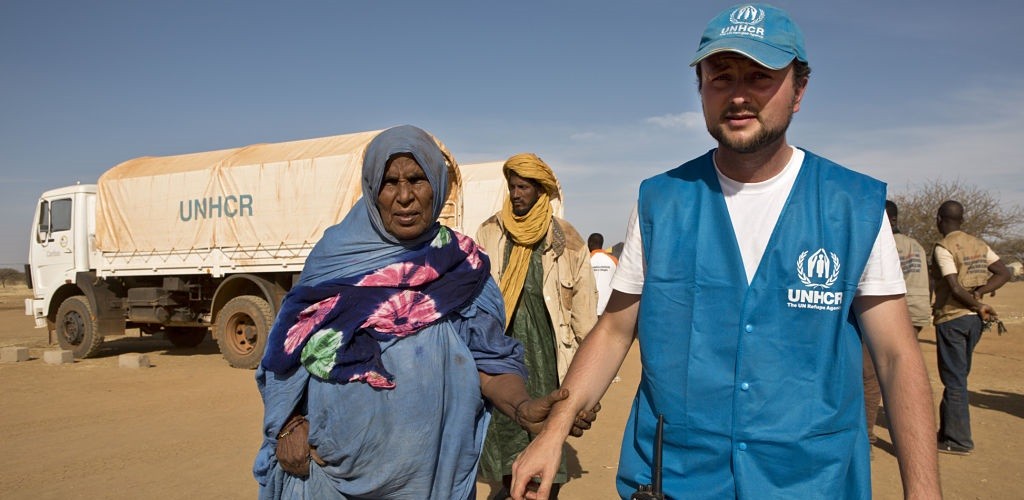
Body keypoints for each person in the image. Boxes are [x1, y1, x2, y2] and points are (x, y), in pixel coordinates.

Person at [510, 4, 940, 499]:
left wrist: (923, 491)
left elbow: (895, 356)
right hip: (677, 478)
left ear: (798, 91)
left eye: (760, 77)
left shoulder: (850, 206)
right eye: (721, 76)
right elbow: (613, 330)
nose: (738, 95)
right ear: (700, 87)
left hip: (809, 480)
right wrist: (555, 429)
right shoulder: (662, 200)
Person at [252, 125, 594, 499]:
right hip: (330, 476)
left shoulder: (461, 265)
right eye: (390, 182)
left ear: (437, 185)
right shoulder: (334, 258)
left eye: (417, 180)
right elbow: (286, 355)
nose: (404, 196)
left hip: (433, 479)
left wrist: (522, 406)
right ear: (371, 188)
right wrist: (286, 425)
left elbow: (489, 359)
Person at [476, 153, 598, 498]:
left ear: (540, 190)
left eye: (524, 187)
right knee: (502, 438)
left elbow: (584, 316)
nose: (516, 194)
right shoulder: (489, 232)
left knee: (548, 438)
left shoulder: (568, 240)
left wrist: (588, 378)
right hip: (502, 356)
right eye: (512, 186)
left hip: (550, 355)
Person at [931, 199, 1010, 455]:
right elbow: (1003, 273)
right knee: (958, 376)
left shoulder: (944, 247)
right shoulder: (978, 244)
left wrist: (976, 304)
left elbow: (954, 287)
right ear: (962, 220)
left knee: (954, 379)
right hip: (974, 321)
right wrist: (981, 294)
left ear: (939, 220)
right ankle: (946, 431)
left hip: (953, 318)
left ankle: (958, 440)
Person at [863, 200, 933, 446]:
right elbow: (930, 279)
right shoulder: (917, 246)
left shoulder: (879, 242)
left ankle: (868, 435)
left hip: (889, 313)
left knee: (871, 376)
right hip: (918, 309)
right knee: (904, 368)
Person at [588, 233, 619, 315]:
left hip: (590, 308)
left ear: (590, 243)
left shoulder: (586, 260)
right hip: (608, 309)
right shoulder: (614, 260)